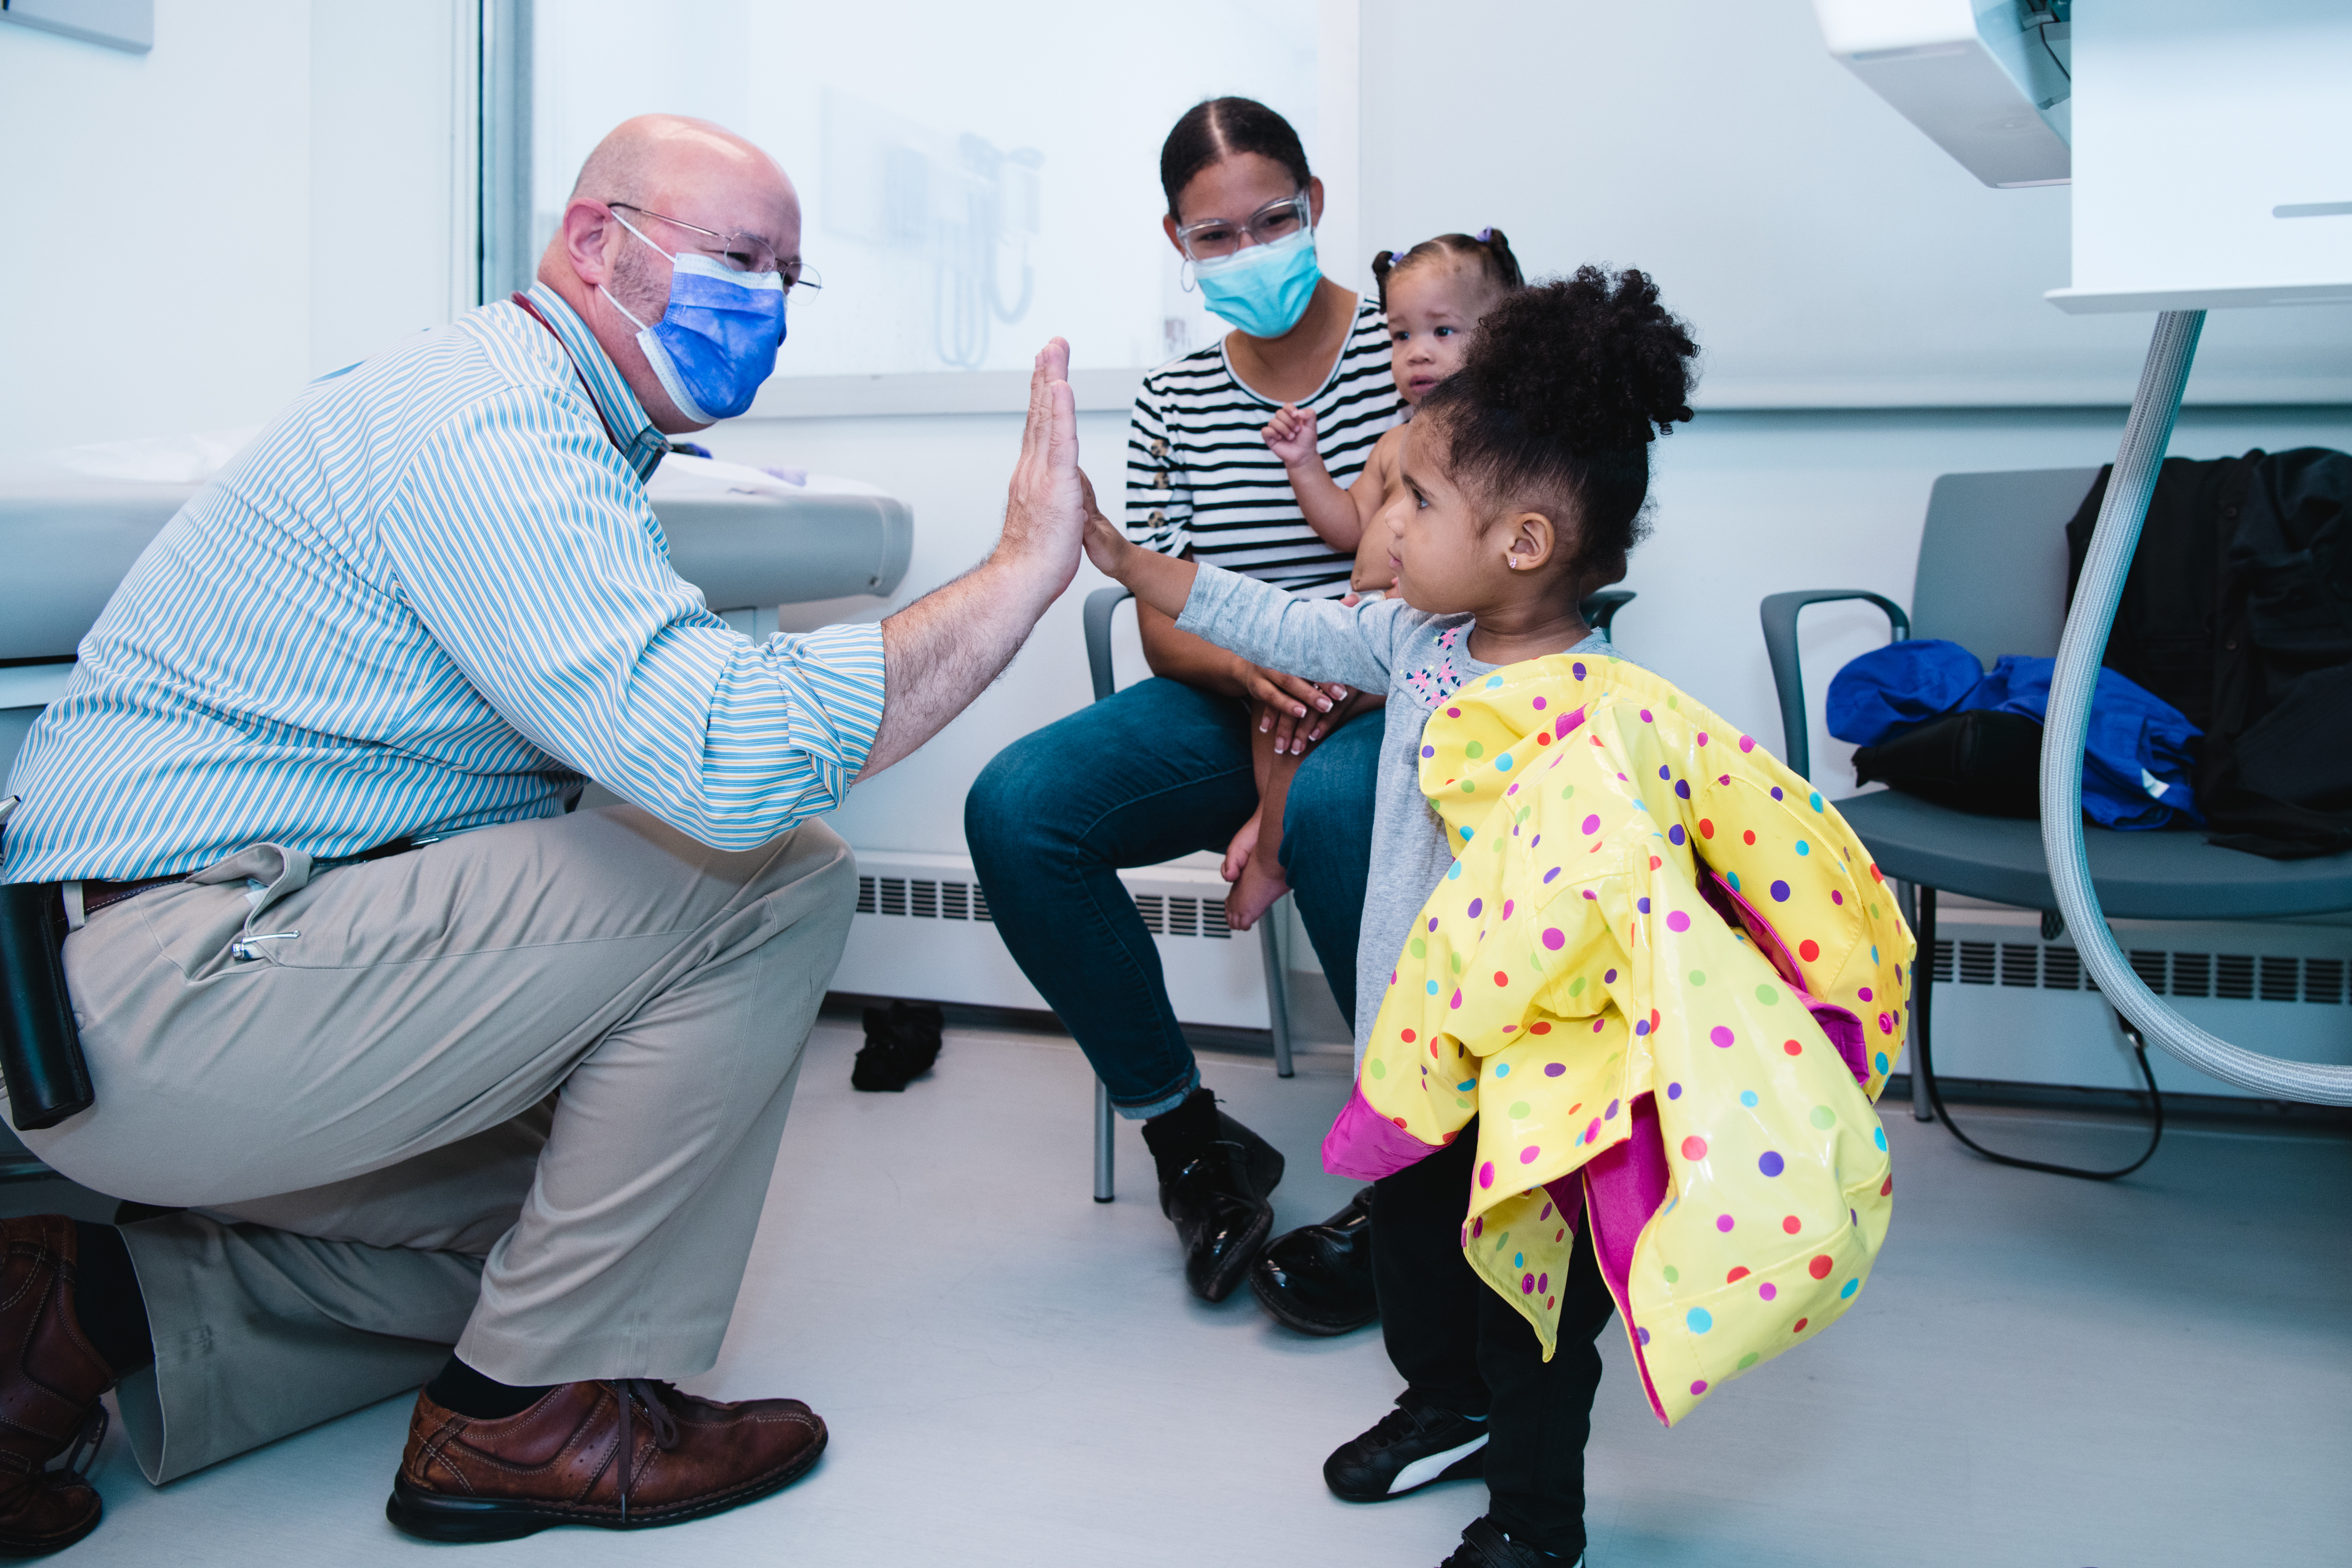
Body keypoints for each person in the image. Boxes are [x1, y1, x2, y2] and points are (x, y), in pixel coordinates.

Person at [0, 114, 1096, 1551]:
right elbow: (723, 762)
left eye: (788, 276)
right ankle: (530, 1417)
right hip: (174, 982)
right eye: (736, 261)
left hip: (157, 990)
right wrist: (1021, 571)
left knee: (594, 1218)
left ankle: (81, 1314)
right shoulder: (489, 414)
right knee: (769, 876)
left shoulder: (552, 431)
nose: (762, 303)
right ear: (596, 244)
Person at [1078, 269, 1703, 1568]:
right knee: (1417, 1265)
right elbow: (1287, 615)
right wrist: (1138, 564)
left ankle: (1536, 1517)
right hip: (1424, 1060)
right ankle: (1445, 1401)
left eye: (1417, 499)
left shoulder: (1602, 713)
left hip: (1541, 1094)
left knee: (1533, 1313)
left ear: (1522, 543)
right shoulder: (1419, 643)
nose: (1386, 522)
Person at [965, 97, 1402, 1323]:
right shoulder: (1174, 401)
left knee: (1327, 800)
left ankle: (1418, 1172)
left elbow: (1461, 570)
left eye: (1273, 219)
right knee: (1018, 808)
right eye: (1217, 236)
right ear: (1178, 241)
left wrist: (1328, 678)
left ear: (1314, 206)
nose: (1249, 248)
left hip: (1388, 700)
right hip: (1232, 699)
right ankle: (1190, 1143)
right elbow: (1164, 623)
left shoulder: (1409, 354)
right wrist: (1255, 669)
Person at [1228, 230, 1528, 936]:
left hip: (1421, 633)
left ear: (1504, 335)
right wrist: (1305, 465)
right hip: (1364, 621)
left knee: (1310, 699)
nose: (1415, 352)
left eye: (1443, 331)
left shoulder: (1499, 451)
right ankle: (1269, 817)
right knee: (1282, 695)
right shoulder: (1395, 444)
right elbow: (1345, 523)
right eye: (1400, 336)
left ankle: (1272, 853)